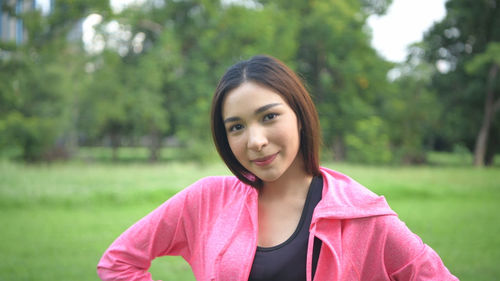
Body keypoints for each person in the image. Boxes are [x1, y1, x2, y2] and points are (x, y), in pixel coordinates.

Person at [97, 55, 459, 281]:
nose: (254, 140)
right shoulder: (206, 199)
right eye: (236, 127)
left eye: (269, 116)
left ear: (300, 116)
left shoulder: (363, 216)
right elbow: (118, 262)